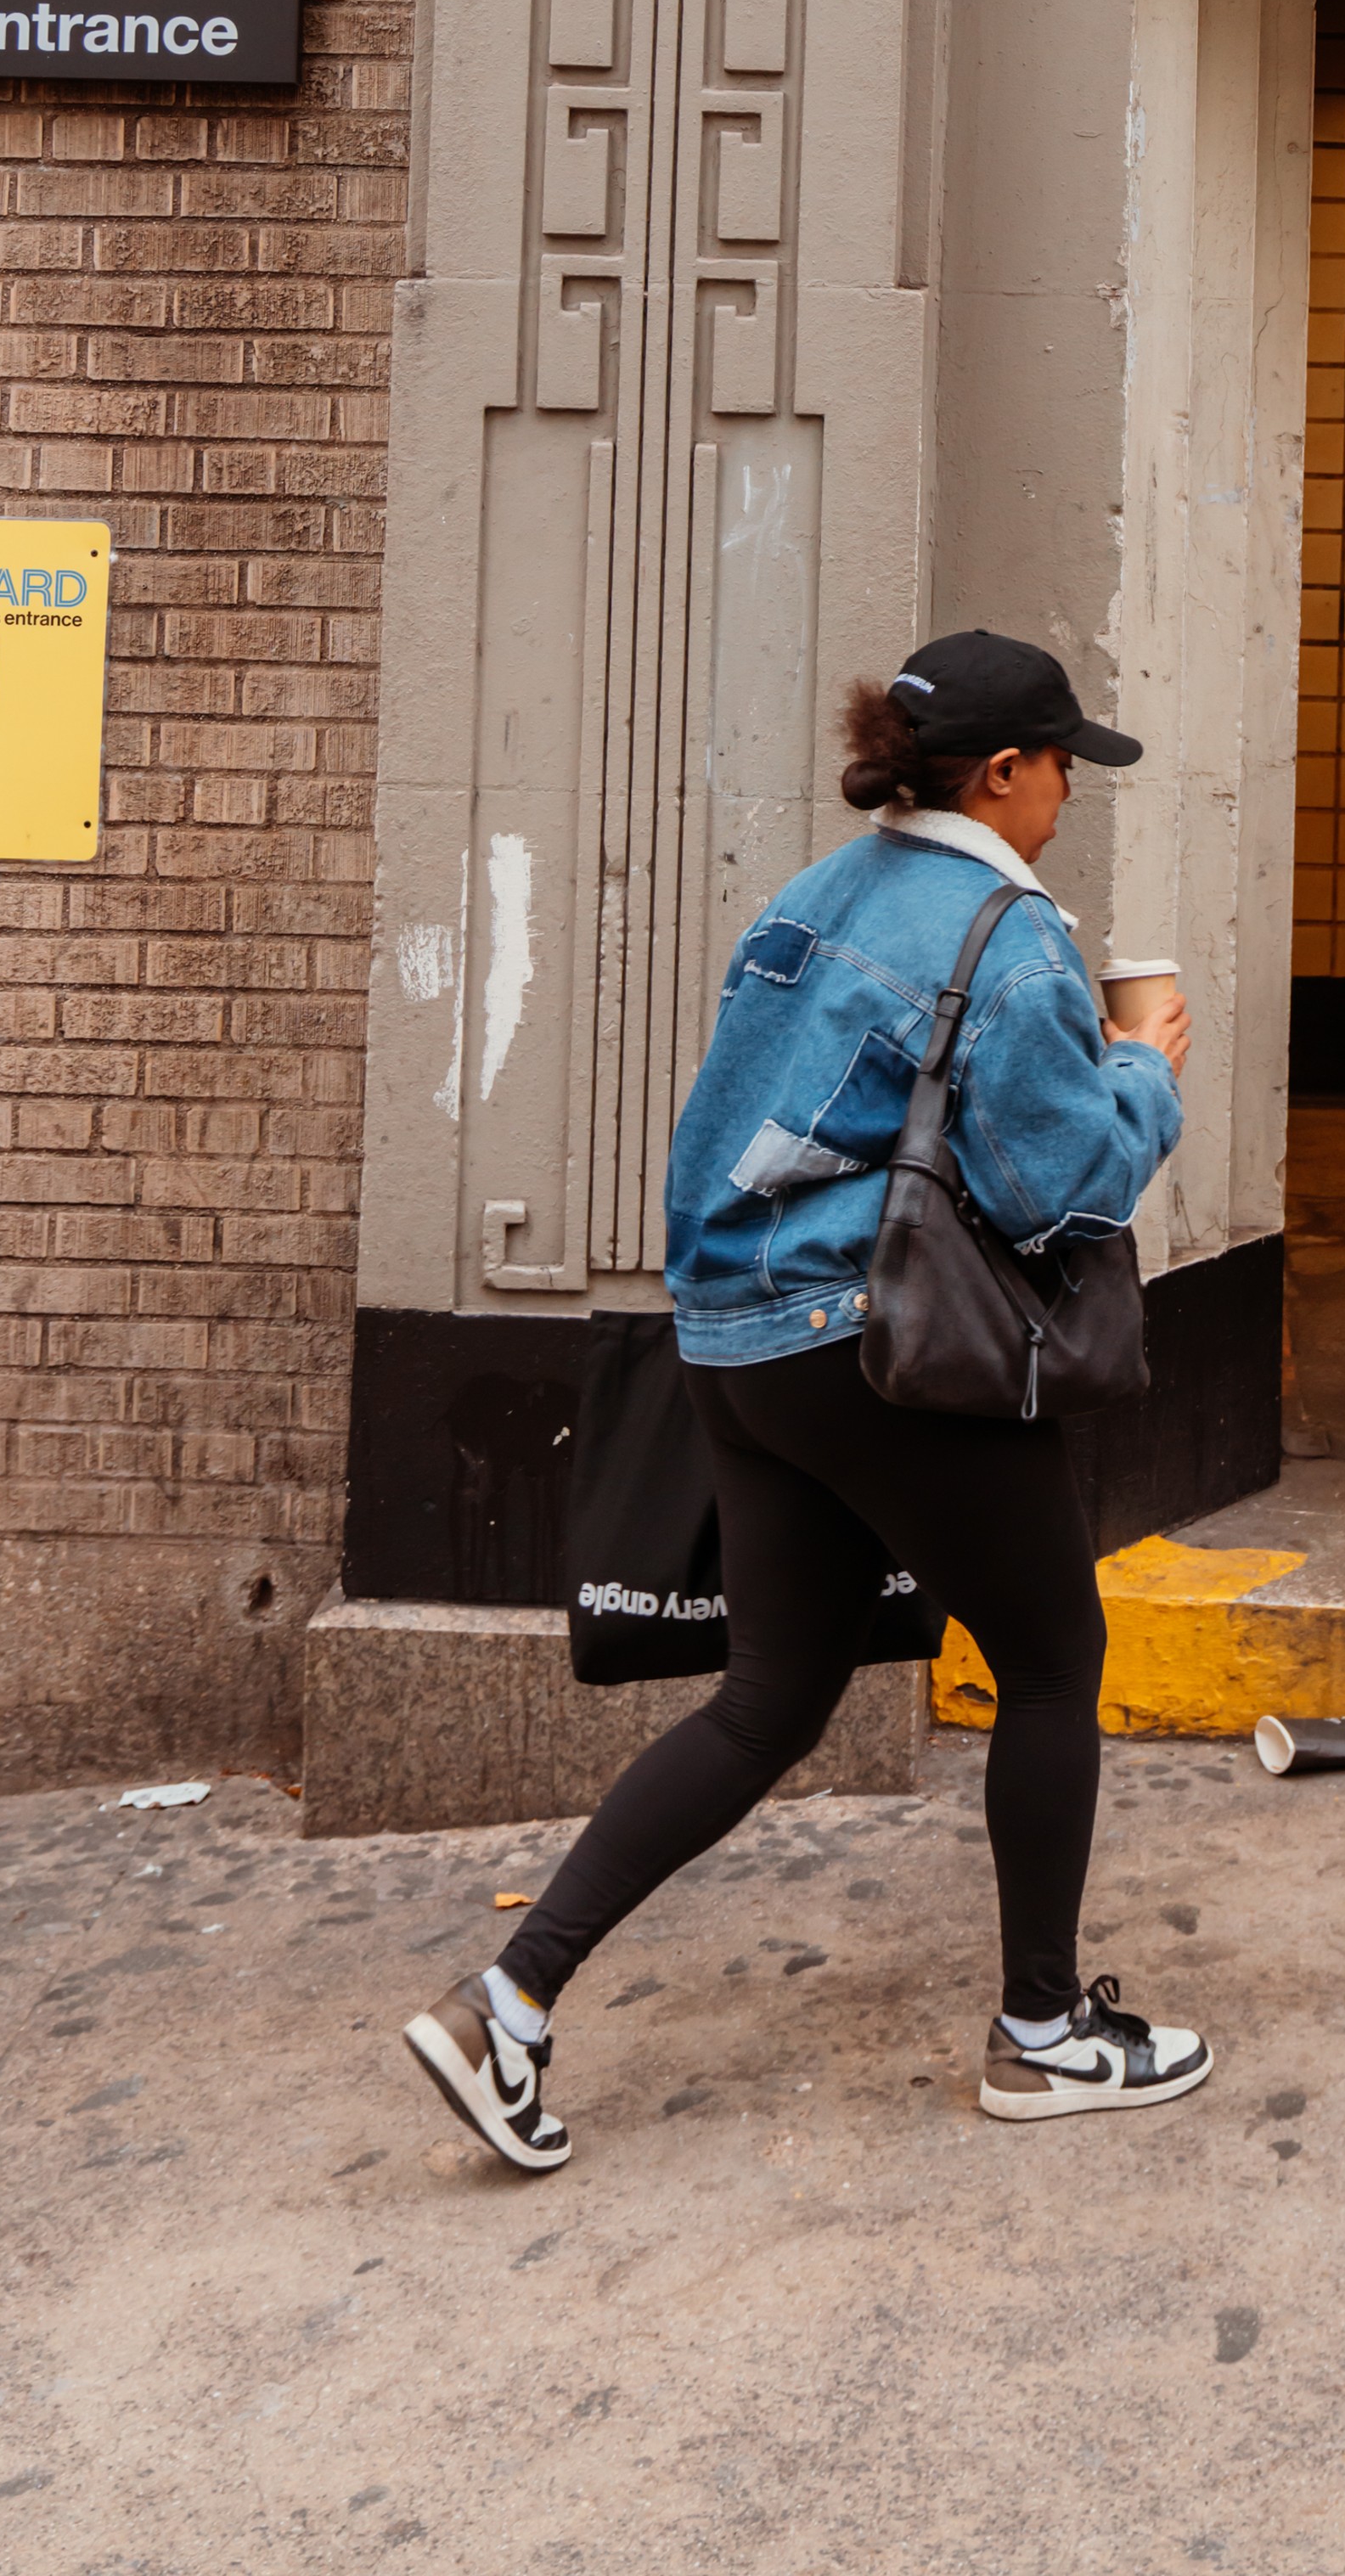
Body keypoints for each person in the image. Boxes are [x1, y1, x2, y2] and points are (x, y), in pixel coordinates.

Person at [404, 629, 1213, 2168]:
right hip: (879, 1349)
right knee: (1053, 1659)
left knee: (772, 1693)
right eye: (1058, 770)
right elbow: (1061, 1192)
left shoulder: (810, 898)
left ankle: (508, 2000)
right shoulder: (1010, 934)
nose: (1066, 799)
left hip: (735, 1346)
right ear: (1000, 772)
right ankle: (1044, 2036)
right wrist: (1146, 1070)